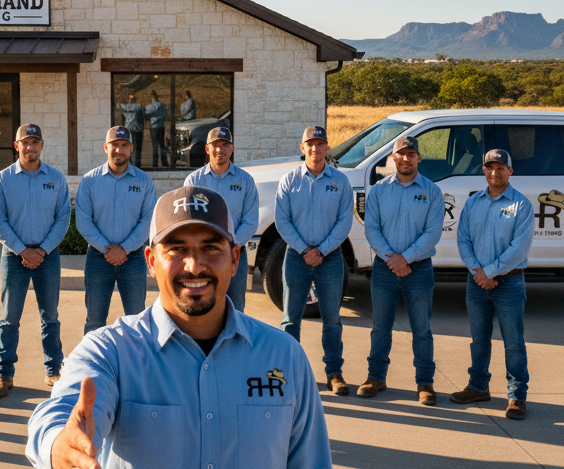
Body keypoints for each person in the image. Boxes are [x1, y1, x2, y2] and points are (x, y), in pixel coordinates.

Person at [25, 186, 342, 469]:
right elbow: (62, 411)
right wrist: (58, 443)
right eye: (177, 249)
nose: (194, 266)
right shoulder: (111, 350)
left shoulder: (284, 357)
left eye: (210, 248)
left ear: (235, 258)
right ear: (151, 261)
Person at [358, 136, 444, 404]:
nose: (406, 159)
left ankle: (425, 383)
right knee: (380, 327)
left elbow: (432, 232)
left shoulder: (432, 192)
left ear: (419, 158)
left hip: (419, 270)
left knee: (422, 329)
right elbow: (371, 228)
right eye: (400, 154)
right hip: (385, 269)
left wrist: (405, 259)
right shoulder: (379, 191)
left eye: (411, 154)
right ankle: (376, 377)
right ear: (392, 158)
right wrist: (391, 259)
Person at [0, 124, 72, 398]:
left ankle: (53, 370)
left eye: (35, 142)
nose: (30, 147)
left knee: (50, 316)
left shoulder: (56, 178)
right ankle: (4, 374)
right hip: (14, 257)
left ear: (42, 145)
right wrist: (23, 251)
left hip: (48, 257)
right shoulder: (2, 179)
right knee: (9, 319)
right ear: (17, 146)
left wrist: (43, 251)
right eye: (25, 142)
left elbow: (62, 219)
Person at [451, 148, 535, 419]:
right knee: (479, 340)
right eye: (490, 167)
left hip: (509, 283)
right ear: (484, 171)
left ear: (510, 171)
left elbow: (518, 249)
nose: (495, 172)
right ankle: (478, 387)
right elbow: (463, 239)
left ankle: (517, 396)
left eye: (500, 167)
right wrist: (478, 272)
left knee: (513, 342)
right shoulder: (474, 203)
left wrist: (489, 272)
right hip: (476, 282)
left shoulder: (521, 205)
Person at [275, 125, 355, 396]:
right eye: (310, 143)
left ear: (327, 148)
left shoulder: (340, 182)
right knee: (290, 319)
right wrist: (304, 249)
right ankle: (289, 374)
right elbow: (282, 220)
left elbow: (345, 222)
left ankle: (334, 373)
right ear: (302, 148)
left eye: (320, 143)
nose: (315, 148)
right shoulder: (289, 181)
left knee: (331, 319)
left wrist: (321, 251)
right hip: (296, 257)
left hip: (330, 259)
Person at [75, 126, 157, 335]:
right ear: (105, 147)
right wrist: (108, 250)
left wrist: (125, 249)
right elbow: (84, 221)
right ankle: (94, 366)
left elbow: (148, 220)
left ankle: (136, 366)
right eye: (114, 145)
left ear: (131, 148)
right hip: (97, 260)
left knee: (137, 321)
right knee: (94, 322)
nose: (118, 150)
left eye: (123, 145)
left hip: (134, 259)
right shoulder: (90, 181)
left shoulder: (144, 181)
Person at [184, 126, 259, 311]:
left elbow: (250, 221)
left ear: (232, 149)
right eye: (215, 145)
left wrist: (231, 246)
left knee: (235, 308)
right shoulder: (193, 182)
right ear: (207, 149)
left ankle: (233, 339)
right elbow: (187, 220)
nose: (220, 149)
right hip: (202, 255)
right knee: (201, 305)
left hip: (234, 255)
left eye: (225, 144)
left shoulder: (246, 181)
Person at [114, 90, 146, 164]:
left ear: (129, 100)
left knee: (128, 147)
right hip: (138, 129)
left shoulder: (125, 106)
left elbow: (118, 105)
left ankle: (129, 163)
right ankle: (137, 164)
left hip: (129, 129)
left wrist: (119, 96)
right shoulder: (138, 106)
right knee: (137, 148)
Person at [145, 90, 169, 167]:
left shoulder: (149, 107)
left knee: (155, 146)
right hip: (161, 126)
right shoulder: (163, 105)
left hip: (153, 127)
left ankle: (155, 163)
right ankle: (164, 162)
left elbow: (146, 116)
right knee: (162, 145)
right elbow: (166, 116)